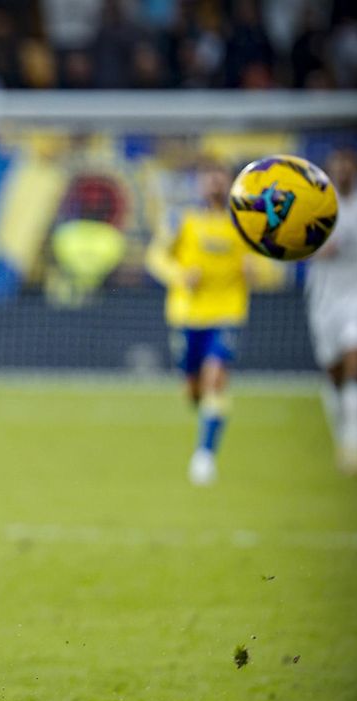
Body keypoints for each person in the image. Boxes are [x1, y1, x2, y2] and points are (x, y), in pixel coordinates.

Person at [147, 159, 254, 486]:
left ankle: (204, 456)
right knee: (194, 390)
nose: (215, 183)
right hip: (187, 315)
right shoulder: (181, 219)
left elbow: (265, 261)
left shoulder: (245, 223)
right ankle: (204, 411)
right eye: (209, 177)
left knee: (216, 379)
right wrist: (181, 275)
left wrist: (257, 271)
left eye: (220, 177)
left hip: (226, 313)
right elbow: (155, 258)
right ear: (199, 183)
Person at [306, 148, 357, 476]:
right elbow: (297, 246)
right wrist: (319, 251)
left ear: (356, 169)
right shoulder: (316, 206)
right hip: (325, 298)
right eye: (337, 166)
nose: (342, 171)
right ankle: (343, 434)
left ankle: (356, 441)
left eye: (347, 165)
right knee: (334, 371)